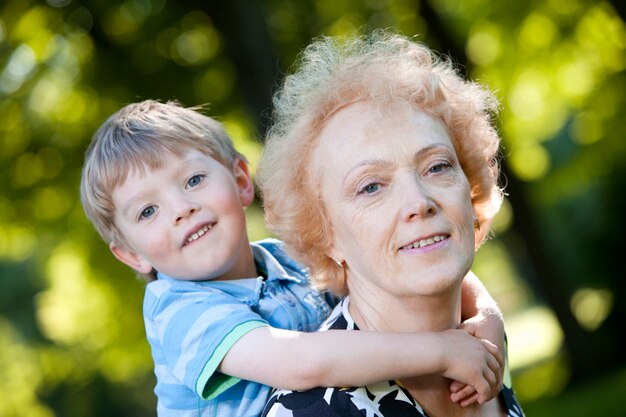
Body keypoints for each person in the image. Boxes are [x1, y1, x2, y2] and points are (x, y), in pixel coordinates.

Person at [80, 99, 507, 417]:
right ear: (130, 254)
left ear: (241, 181)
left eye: (193, 179)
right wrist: (441, 351)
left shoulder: (286, 259)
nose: (180, 209)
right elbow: (302, 362)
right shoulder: (180, 312)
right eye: (148, 211)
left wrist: (486, 320)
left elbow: (420, 263)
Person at [258, 31, 524, 417]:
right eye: (370, 187)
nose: (419, 203)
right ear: (325, 234)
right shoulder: (312, 411)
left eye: (437, 166)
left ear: (470, 189)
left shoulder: (483, 341)